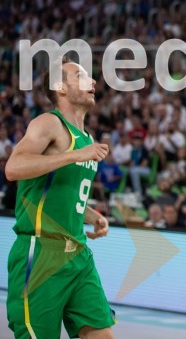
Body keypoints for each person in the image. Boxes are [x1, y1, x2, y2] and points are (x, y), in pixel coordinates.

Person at [4, 59, 116, 338]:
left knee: (102, 334)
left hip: (78, 253)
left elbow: (64, 192)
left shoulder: (87, 138)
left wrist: (93, 216)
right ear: (59, 87)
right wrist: (75, 155)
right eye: (80, 76)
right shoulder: (49, 123)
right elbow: (13, 168)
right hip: (41, 253)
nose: (92, 82)